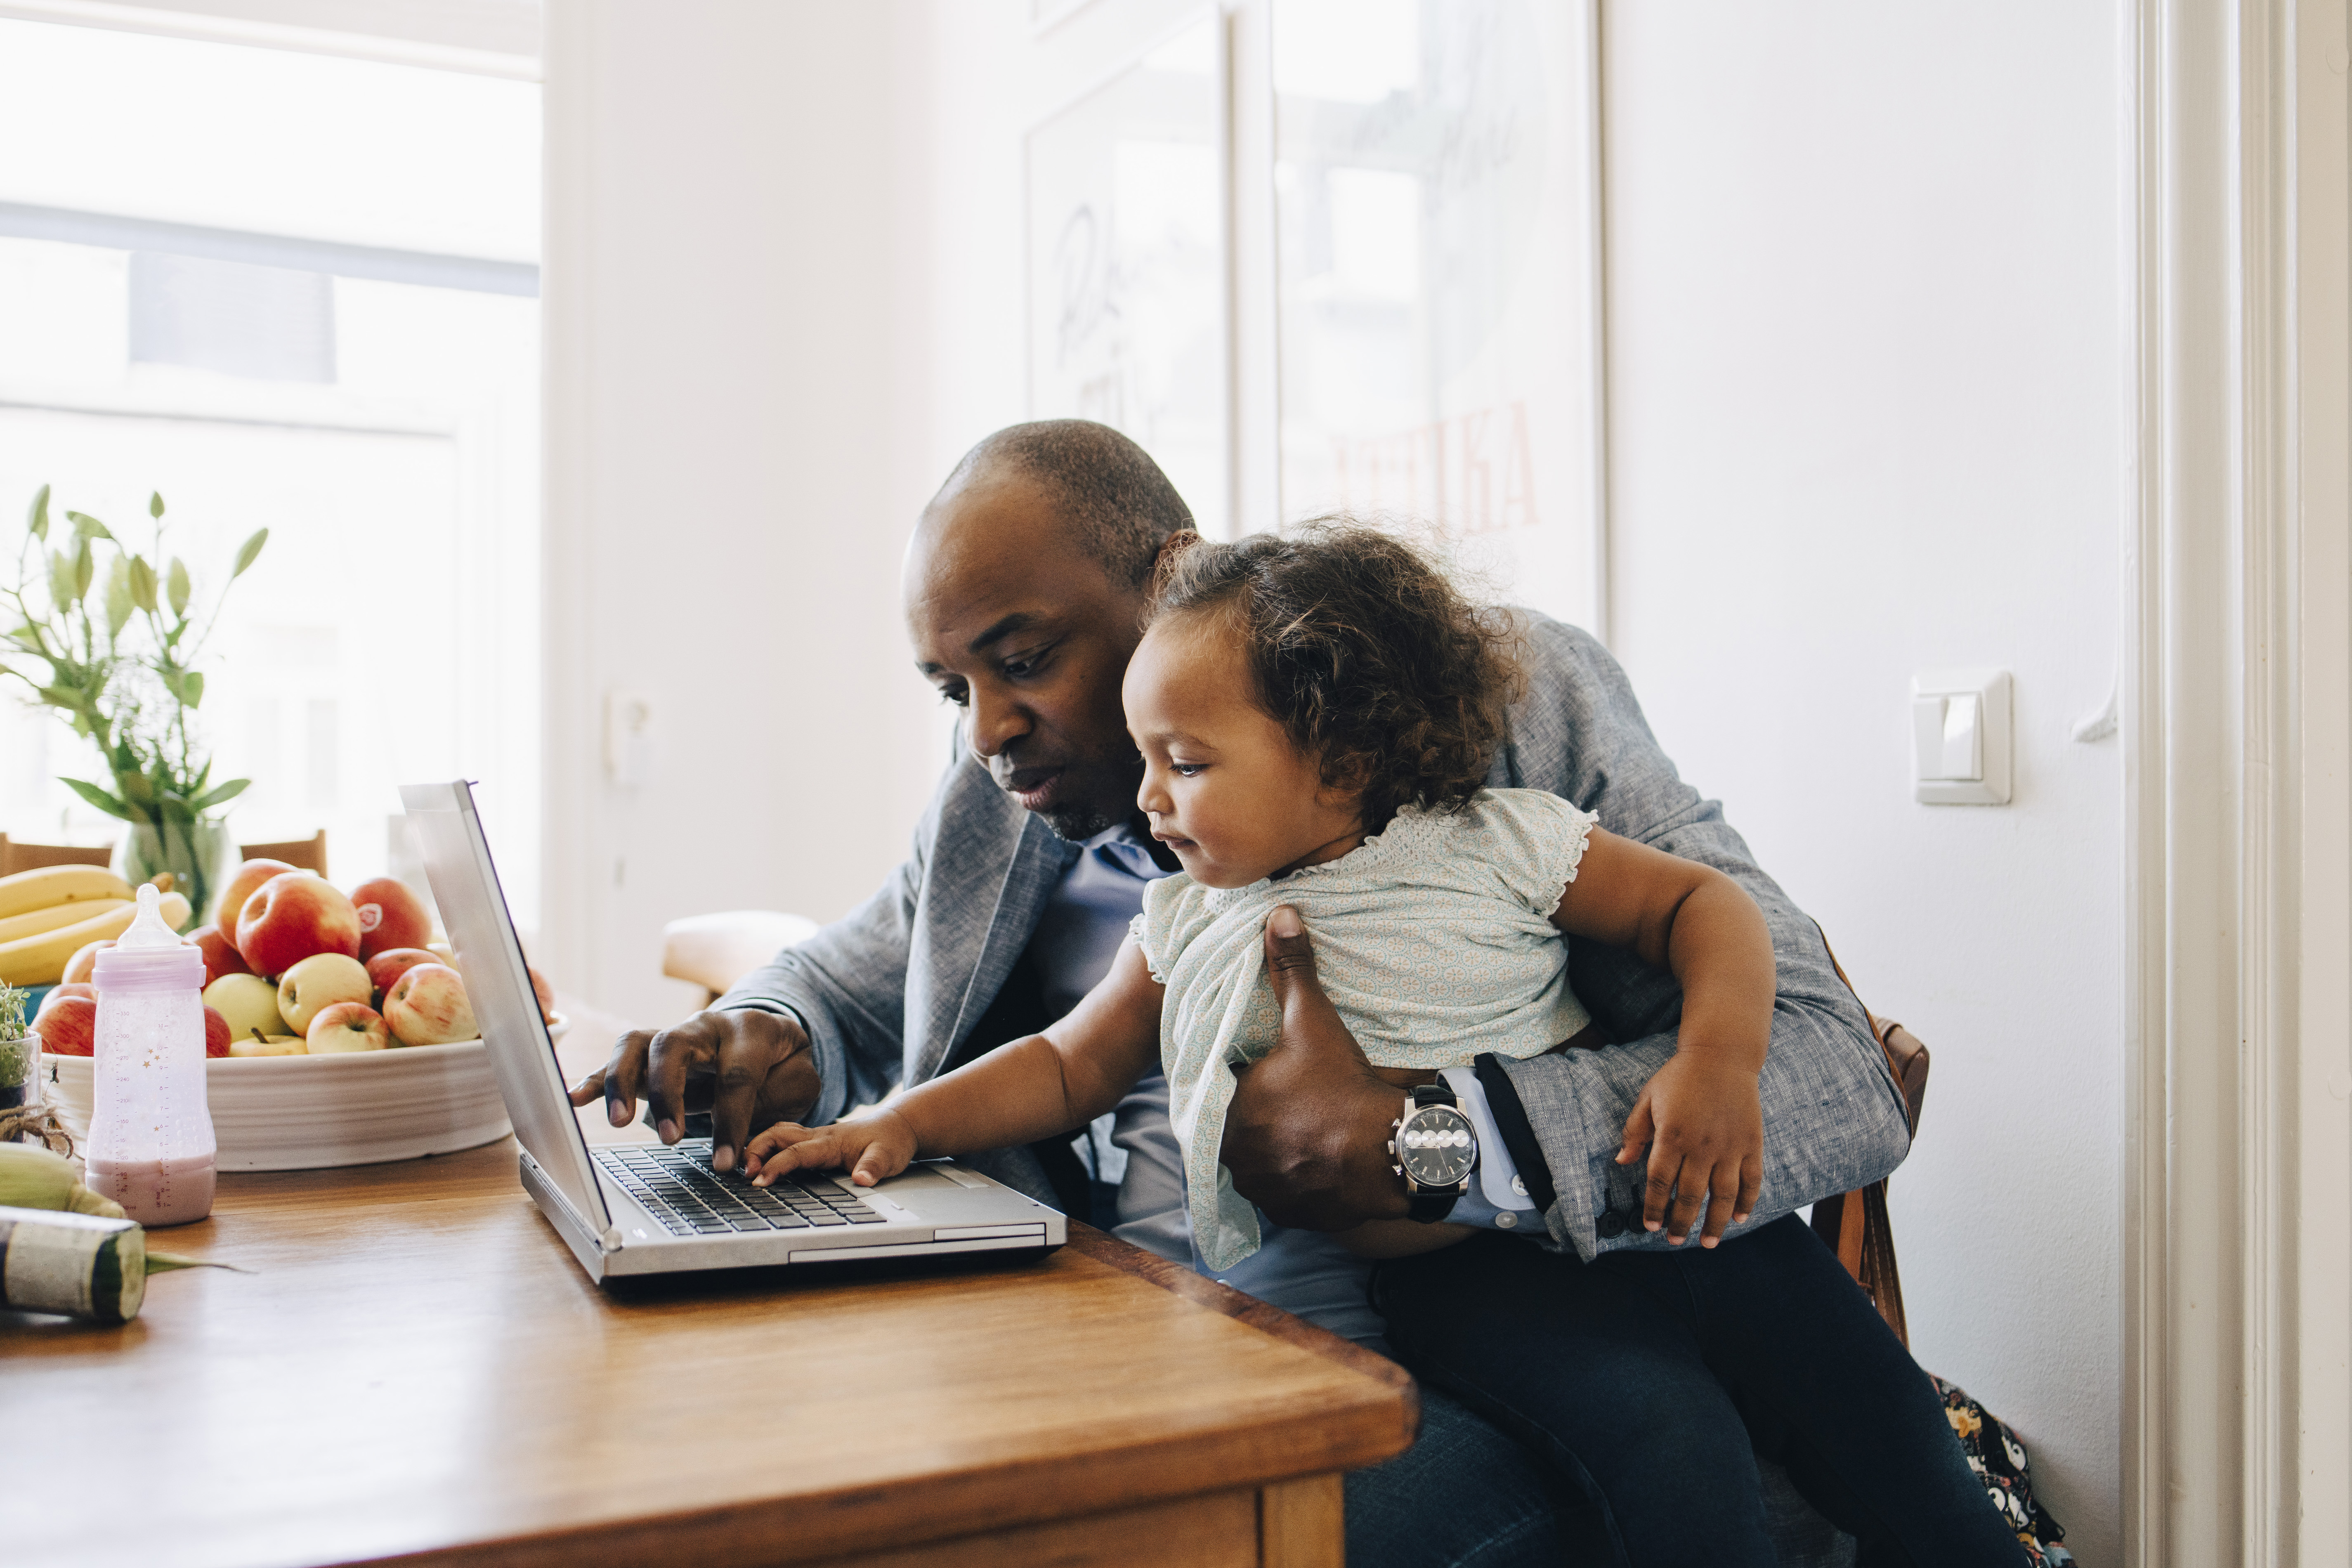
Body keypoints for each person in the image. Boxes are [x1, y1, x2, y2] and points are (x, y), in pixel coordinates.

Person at [569, 420, 1916, 1566]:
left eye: (1023, 658)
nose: (982, 728)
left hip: (1444, 1337)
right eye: (951, 687)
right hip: (1079, 1325)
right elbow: (859, 964)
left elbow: (1827, 1062)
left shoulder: (1481, 698)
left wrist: (1431, 1141)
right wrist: (765, 1025)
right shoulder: (1009, 783)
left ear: (1168, 578)